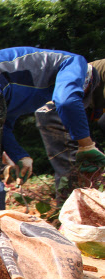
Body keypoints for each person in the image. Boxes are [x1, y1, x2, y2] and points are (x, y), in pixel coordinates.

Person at [0, 47, 105, 229]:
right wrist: (86, 145)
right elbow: (67, 101)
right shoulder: (77, 63)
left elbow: (3, 126)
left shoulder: (27, 89)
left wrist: (21, 157)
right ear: (88, 85)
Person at [34, 59, 105, 203]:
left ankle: (73, 212)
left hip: (62, 104)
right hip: (63, 105)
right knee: (74, 167)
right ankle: (73, 217)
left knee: (72, 166)